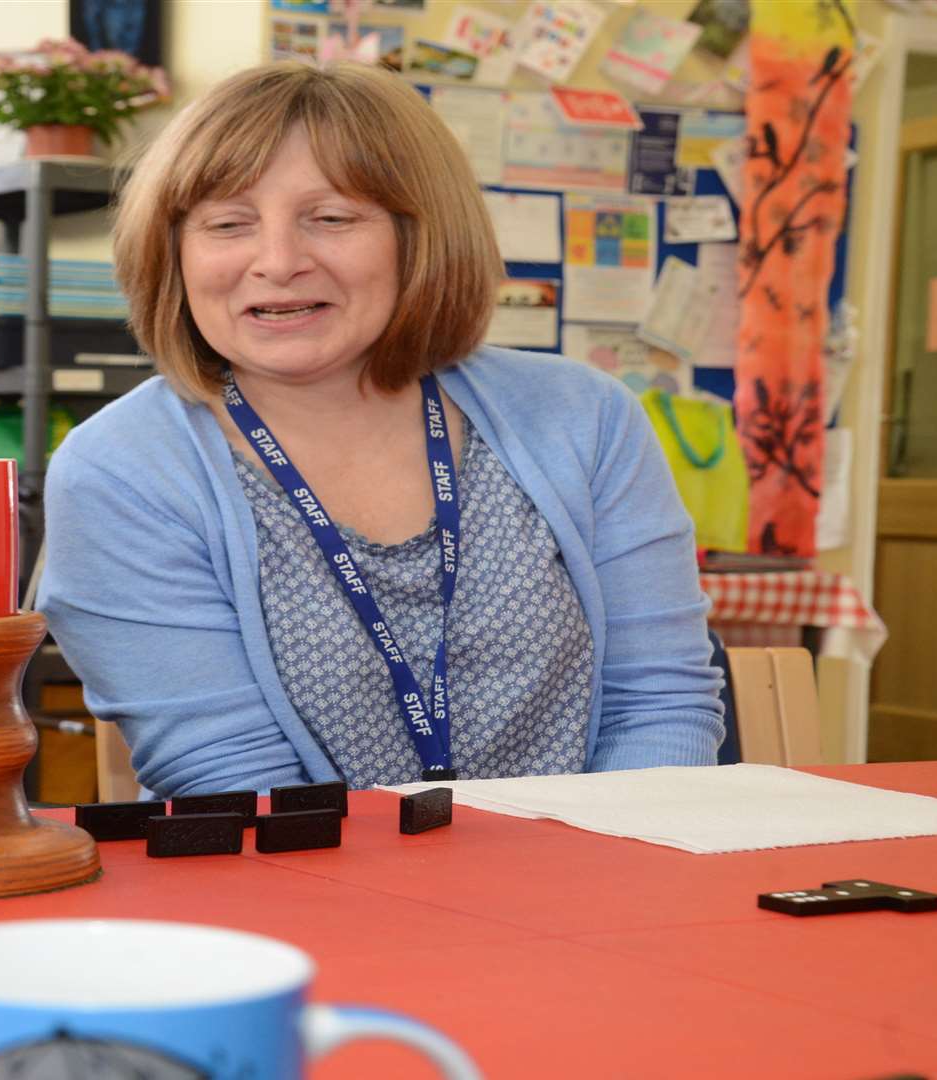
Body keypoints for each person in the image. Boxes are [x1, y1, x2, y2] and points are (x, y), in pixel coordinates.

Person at [38, 62, 723, 797]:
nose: (277, 262)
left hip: (588, 882)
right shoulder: (123, 469)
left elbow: (659, 706)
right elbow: (226, 776)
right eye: (227, 224)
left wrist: (591, 885)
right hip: (287, 892)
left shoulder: (583, 416)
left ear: (418, 234)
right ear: (173, 252)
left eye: (331, 218)